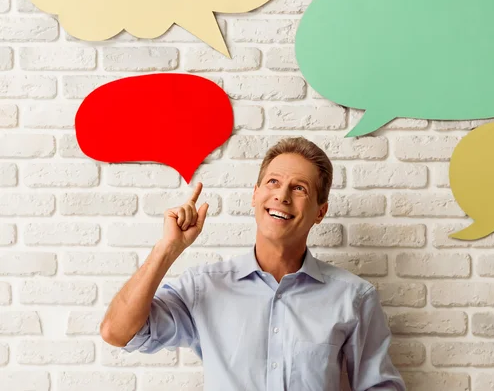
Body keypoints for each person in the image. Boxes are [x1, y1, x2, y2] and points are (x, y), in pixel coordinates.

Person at [100, 137, 406, 391]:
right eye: (273, 182)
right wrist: (168, 248)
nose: (282, 196)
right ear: (255, 195)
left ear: (320, 212)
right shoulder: (203, 287)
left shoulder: (353, 297)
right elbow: (118, 332)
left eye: (300, 189)